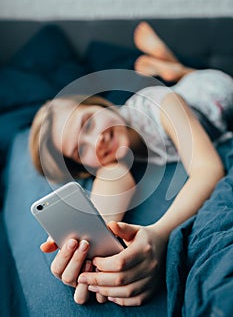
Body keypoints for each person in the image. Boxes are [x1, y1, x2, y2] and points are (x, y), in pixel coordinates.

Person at [29, 21, 233, 306]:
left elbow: (208, 169)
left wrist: (160, 234)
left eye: (87, 124)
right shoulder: (111, 158)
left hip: (213, 94)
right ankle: (169, 67)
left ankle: (177, 70)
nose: (95, 141)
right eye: (80, 149)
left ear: (102, 105)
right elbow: (110, 188)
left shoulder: (161, 104)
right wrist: (89, 247)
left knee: (198, 84)